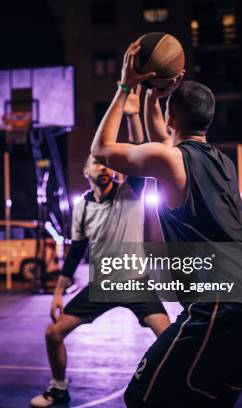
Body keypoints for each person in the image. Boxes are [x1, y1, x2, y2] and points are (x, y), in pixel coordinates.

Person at [91, 41, 242, 407]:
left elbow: (101, 150)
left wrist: (125, 85)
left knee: (141, 397)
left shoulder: (171, 160)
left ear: (172, 119)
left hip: (224, 303)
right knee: (205, 401)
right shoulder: (222, 163)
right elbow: (160, 139)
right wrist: (153, 97)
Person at [30, 86, 170, 407]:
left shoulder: (129, 192)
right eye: (97, 163)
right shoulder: (82, 207)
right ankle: (59, 388)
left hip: (136, 283)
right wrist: (57, 292)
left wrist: (134, 115)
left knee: (171, 340)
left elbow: (140, 156)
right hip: (102, 285)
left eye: (107, 163)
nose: (104, 167)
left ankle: (170, 393)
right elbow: (76, 251)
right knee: (52, 334)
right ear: (87, 172)